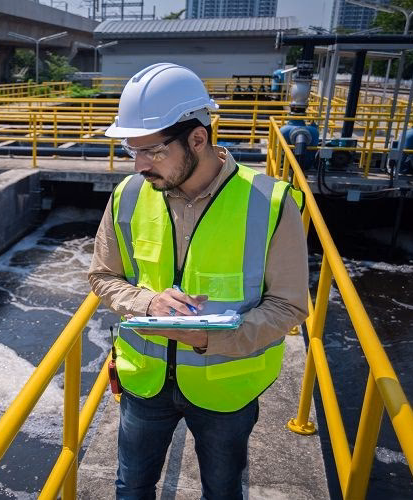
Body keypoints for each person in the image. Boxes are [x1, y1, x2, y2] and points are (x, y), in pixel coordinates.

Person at [88, 63, 309, 500]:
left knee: (222, 491)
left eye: (152, 151)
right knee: (130, 488)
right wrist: (146, 302)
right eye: (133, 150)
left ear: (197, 138)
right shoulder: (128, 195)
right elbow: (102, 275)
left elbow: (288, 306)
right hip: (144, 382)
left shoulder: (270, 202)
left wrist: (207, 339)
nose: (139, 164)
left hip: (226, 389)